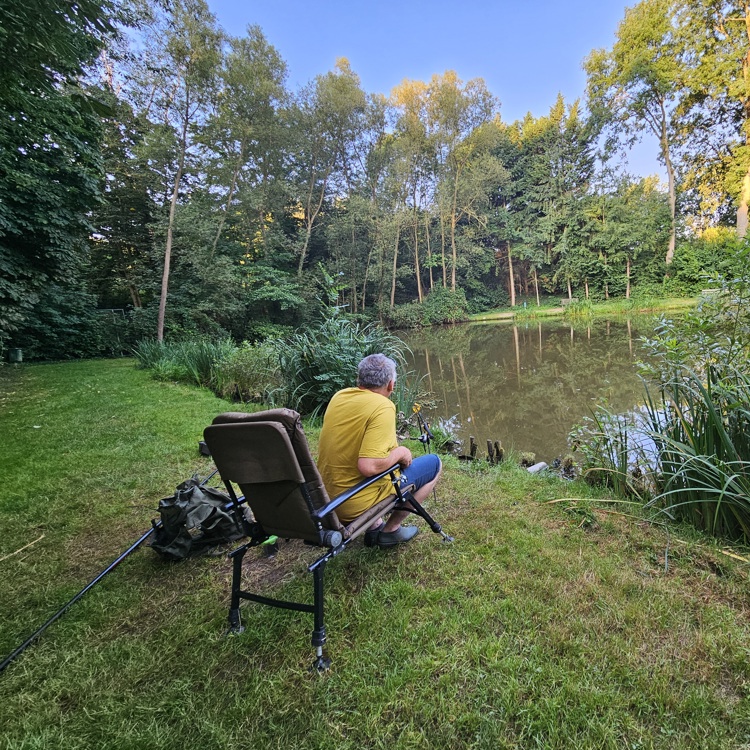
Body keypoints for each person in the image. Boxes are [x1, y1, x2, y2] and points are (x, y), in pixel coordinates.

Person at [317, 353, 442, 548]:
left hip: (327, 500)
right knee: (434, 464)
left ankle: (374, 526)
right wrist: (401, 453)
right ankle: (391, 530)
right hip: (352, 504)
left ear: (360, 379)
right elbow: (368, 466)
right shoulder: (383, 406)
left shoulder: (339, 397)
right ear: (391, 385)